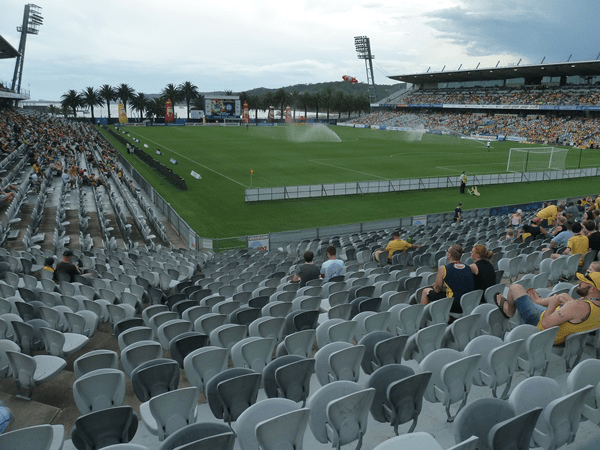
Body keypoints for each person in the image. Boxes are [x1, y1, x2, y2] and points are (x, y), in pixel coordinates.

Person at [494, 272, 600, 345]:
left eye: (583, 281)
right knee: (562, 295)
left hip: (544, 330)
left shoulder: (577, 306)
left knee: (515, 287)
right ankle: (536, 301)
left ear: (593, 289)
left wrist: (552, 304)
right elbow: (577, 310)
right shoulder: (590, 305)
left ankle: (509, 311)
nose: (579, 283)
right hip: (563, 329)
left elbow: (545, 323)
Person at [421, 244, 474, 314]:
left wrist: (435, 285)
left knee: (425, 291)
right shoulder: (468, 267)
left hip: (453, 304)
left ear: (449, 255)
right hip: (468, 303)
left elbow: (437, 290)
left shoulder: (443, 268)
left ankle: (423, 318)